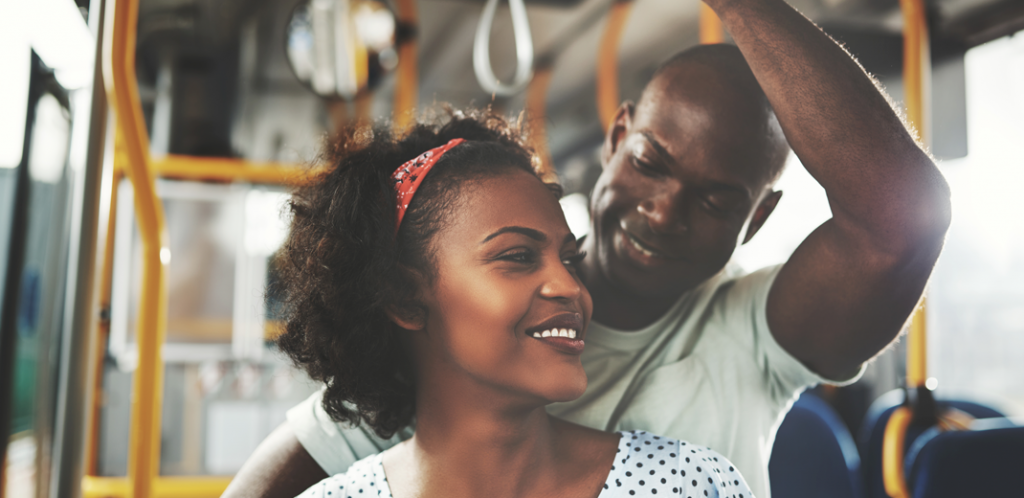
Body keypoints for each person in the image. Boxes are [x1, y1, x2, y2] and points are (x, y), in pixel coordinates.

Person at [222, 0, 951, 495]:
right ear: (617, 137)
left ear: (757, 218)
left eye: (715, 201)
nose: (663, 212)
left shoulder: (747, 346)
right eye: (651, 162)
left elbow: (901, 221)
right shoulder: (432, 354)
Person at [270, 110, 755, 498]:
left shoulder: (687, 484)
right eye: (518, 256)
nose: (570, 287)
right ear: (404, 298)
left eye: (570, 259)